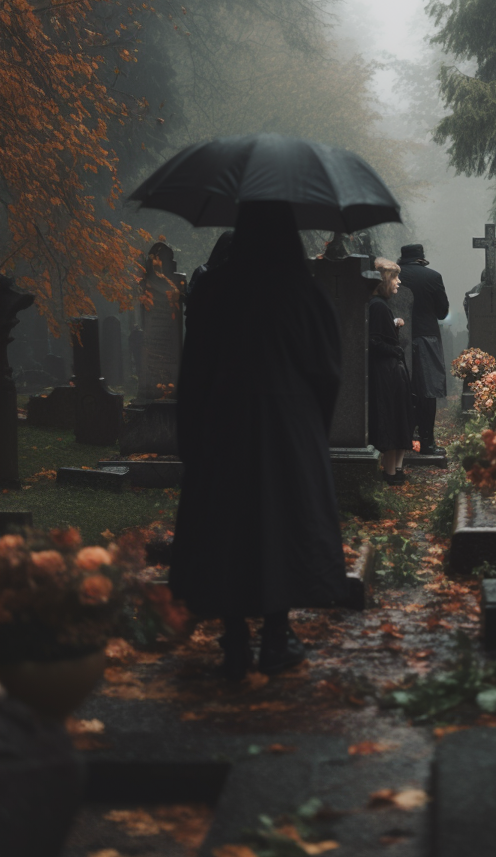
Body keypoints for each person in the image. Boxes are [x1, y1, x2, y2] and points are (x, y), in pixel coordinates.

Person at [171, 202, 347, 681]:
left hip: (221, 420)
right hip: (289, 424)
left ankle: (234, 635)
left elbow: (194, 369)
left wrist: (190, 436)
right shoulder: (304, 293)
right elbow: (328, 373)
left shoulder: (213, 289)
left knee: (228, 522)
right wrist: (314, 428)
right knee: (279, 522)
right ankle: (276, 634)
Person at [396, 244, 449, 455]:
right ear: (422, 258)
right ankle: (427, 443)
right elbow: (443, 312)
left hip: (399, 338)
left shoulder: (394, 276)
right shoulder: (433, 277)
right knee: (428, 391)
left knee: (403, 390)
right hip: (427, 337)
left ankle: (404, 439)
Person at [368, 259, 415, 484]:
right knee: (391, 418)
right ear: (384, 280)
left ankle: (395, 471)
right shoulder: (377, 305)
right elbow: (374, 342)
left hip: (390, 370)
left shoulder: (380, 305)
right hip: (386, 372)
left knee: (399, 416)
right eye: (395, 277)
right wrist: (396, 350)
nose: (399, 281)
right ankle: (391, 474)